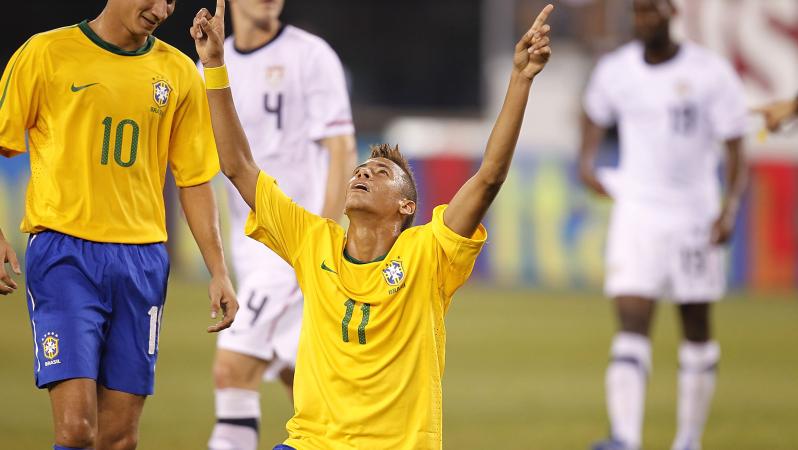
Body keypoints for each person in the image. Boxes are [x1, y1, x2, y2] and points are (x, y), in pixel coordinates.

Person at [191, 1, 554, 448]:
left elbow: (489, 177)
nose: (363, 173)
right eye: (361, 169)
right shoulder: (312, 241)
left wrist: (520, 78)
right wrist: (215, 66)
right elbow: (237, 166)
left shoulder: (429, 255)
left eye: (381, 173)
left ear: (405, 206)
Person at [0, 1, 240, 449]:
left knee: (119, 439)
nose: (161, 9)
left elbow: (193, 179)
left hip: (142, 263)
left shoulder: (178, 71)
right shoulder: (45, 53)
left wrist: (218, 270)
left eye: (171, 0)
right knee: (76, 429)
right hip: (65, 255)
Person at [579, 1, 748, 449]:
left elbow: (736, 145)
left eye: (651, 11)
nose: (644, 20)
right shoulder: (617, 70)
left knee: (696, 325)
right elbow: (593, 111)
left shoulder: (710, 73)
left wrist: (729, 208)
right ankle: (626, 438)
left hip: (694, 215)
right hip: (637, 211)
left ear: (672, 12)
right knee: (631, 321)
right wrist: (585, 160)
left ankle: (688, 439)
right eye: (638, 12)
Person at [203, 0, 356, 449]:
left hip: (292, 250)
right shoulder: (210, 65)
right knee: (304, 386)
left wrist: (319, 244)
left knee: (232, 371)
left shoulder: (310, 55)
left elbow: (341, 150)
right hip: (250, 250)